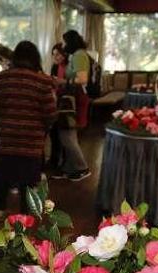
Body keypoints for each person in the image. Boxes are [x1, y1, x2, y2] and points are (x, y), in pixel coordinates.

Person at [0, 41, 56, 217]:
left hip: (6, 141)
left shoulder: (1, 78)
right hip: (31, 143)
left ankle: (1, 209)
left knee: (3, 176)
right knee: (29, 180)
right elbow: (51, 113)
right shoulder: (44, 81)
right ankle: (25, 215)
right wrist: (43, 129)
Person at [53, 29, 91, 181]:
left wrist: (63, 81)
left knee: (68, 135)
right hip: (72, 98)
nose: (64, 45)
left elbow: (82, 79)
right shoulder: (77, 55)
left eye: (65, 41)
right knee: (67, 134)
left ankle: (82, 167)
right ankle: (70, 168)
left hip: (76, 98)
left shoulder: (79, 55)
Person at [48, 43, 68, 172]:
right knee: (53, 132)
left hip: (66, 102)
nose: (56, 57)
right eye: (54, 54)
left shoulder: (69, 67)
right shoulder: (55, 67)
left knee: (64, 134)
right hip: (55, 101)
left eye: (58, 54)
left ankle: (64, 162)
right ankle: (54, 160)